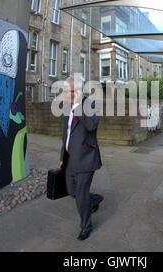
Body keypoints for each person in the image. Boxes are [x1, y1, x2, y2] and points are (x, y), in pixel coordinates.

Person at [59, 77, 103, 241]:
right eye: (65, 92)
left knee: (81, 195)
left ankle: (86, 226)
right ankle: (94, 199)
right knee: (71, 190)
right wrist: (62, 156)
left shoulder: (92, 104)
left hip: (86, 157)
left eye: (70, 92)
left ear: (80, 91)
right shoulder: (66, 106)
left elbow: (91, 126)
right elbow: (66, 133)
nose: (67, 95)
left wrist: (78, 107)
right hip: (70, 158)